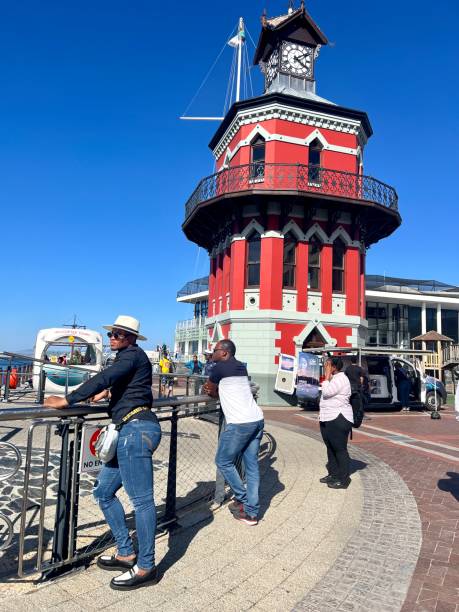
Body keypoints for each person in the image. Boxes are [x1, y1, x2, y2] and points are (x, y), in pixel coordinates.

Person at [44, 315, 161, 591]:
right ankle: (125, 552)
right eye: (111, 334)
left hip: (136, 431)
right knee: (103, 492)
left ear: (131, 338)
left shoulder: (131, 355)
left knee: (142, 502)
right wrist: (108, 394)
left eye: (118, 334)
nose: (112, 338)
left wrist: (69, 399)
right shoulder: (132, 358)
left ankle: (146, 566)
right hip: (129, 429)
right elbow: (129, 386)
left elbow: (106, 375)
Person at [203, 339, 264, 526]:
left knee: (222, 460)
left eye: (214, 350)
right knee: (252, 466)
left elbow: (210, 391)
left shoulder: (219, 368)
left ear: (224, 352)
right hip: (257, 419)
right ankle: (251, 513)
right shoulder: (240, 367)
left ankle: (242, 497)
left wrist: (212, 389)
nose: (212, 353)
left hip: (239, 423)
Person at [319, 357, 353, 489]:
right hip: (328, 417)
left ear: (334, 367)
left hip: (338, 418)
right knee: (330, 447)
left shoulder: (341, 378)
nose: (325, 366)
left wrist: (326, 377)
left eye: (327, 364)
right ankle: (333, 474)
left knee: (339, 449)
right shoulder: (334, 378)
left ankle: (343, 479)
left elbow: (327, 392)